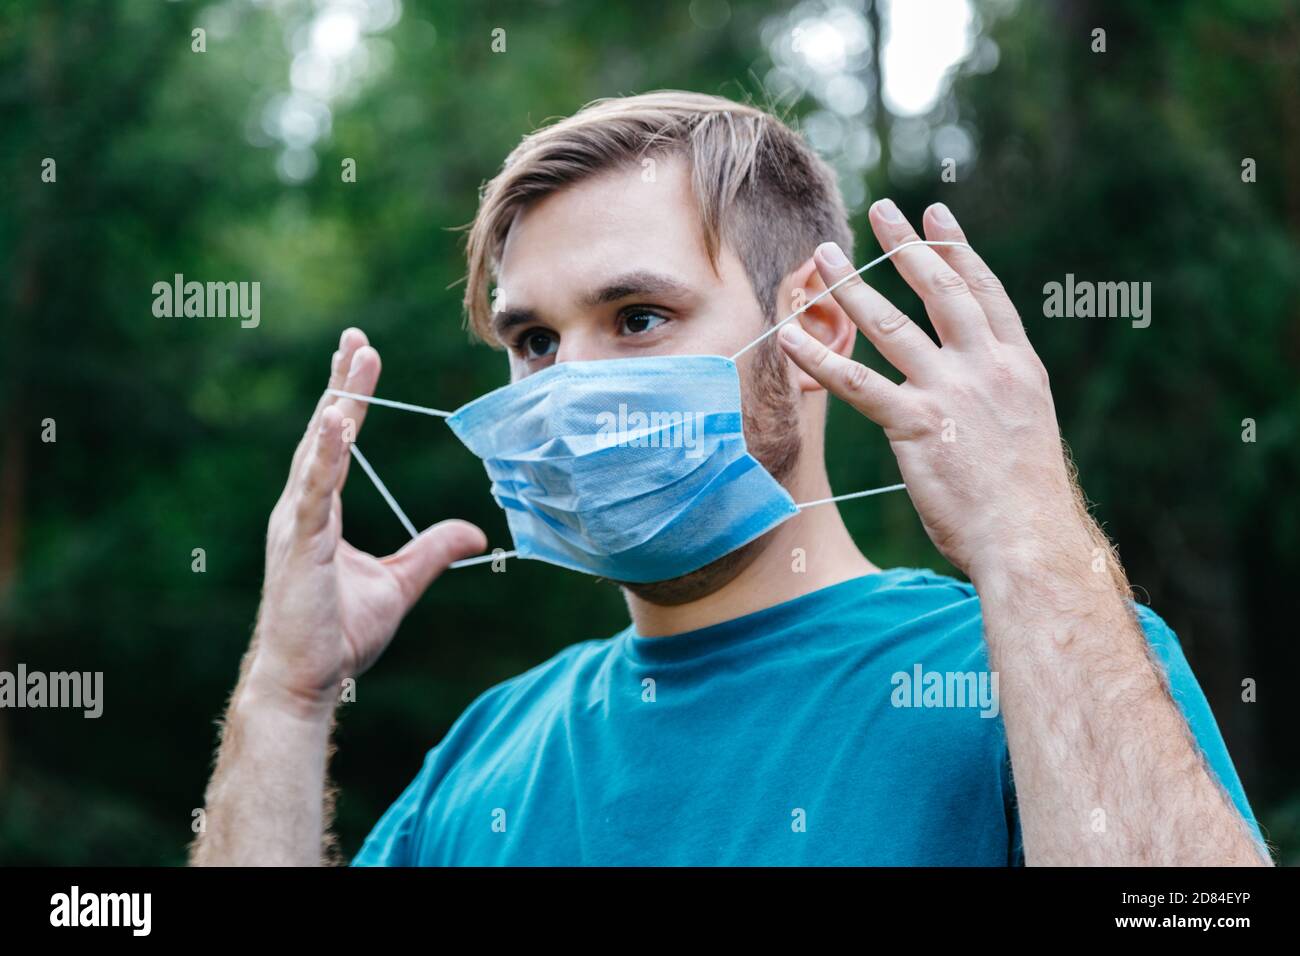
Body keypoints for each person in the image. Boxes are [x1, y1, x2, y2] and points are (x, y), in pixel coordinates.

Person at [190, 91, 1272, 866]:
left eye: (639, 318)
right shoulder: (485, 753)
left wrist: (1031, 537)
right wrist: (285, 694)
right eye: (532, 340)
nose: (569, 388)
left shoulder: (1031, 668)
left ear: (815, 324)